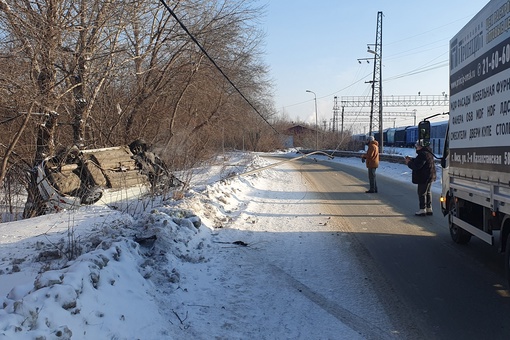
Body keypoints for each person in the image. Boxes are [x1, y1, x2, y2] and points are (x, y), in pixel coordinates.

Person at [404, 139, 437, 216]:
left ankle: (422, 209)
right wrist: (412, 159)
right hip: (430, 175)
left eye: (417, 146)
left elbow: (417, 166)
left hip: (423, 177)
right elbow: (419, 161)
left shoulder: (422, 154)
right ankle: (429, 208)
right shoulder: (428, 152)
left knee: (422, 193)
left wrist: (409, 162)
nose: (416, 147)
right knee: (428, 192)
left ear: (420, 146)